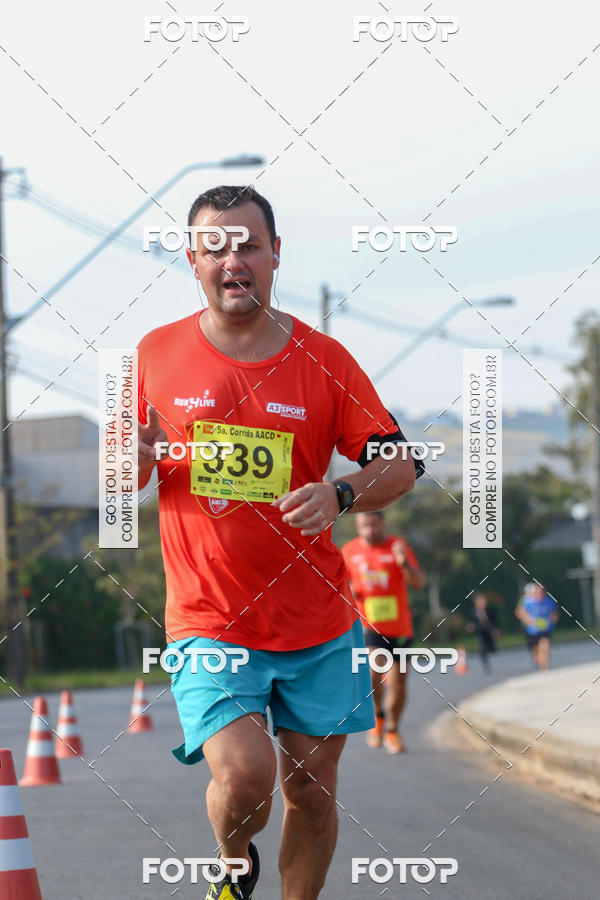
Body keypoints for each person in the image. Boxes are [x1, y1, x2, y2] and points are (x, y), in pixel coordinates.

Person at [136, 185, 422, 900]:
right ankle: (235, 868)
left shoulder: (325, 359)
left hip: (317, 620)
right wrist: (130, 460)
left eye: (249, 244)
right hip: (209, 616)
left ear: (275, 255)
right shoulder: (154, 354)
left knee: (314, 794)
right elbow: (121, 475)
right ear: (195, 262)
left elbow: (403, 460)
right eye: (215, 246)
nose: (234, 259)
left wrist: (341, 493)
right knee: (244, 779)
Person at [341, 511, 424, 754]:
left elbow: (419, 582)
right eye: (364, 526)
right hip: (369, 626)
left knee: (398, 682)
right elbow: (339, 585)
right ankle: (377, 718)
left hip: (400, 628)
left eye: (373, 524)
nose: (369, 530)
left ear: (382, 523)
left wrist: (404, 564)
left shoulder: (398, 546)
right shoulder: (350, 550)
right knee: (375, 670)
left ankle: (392, 729)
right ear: (358, 526)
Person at [515, 582, 558, 671]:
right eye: (537, 592)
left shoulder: (549, 601)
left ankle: (544, 666)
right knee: (536, 650)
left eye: (541, 591)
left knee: (545, 645)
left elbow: (554, 613)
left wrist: (553, 620)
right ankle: (538, 661)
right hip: (532, 630)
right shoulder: (527, 601)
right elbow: (519, 612)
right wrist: (528, 620)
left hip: (545, 629)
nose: (539, 593)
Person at [465, 592, 501, 672]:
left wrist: (496, 630)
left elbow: (495, 621)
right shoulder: (473, 611)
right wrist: (470, 626)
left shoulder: (490, 610)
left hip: (489, 631)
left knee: (491, 647)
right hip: (479, 631)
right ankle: (485, 662)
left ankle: (492, 648)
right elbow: (470, 621)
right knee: (482, 646)